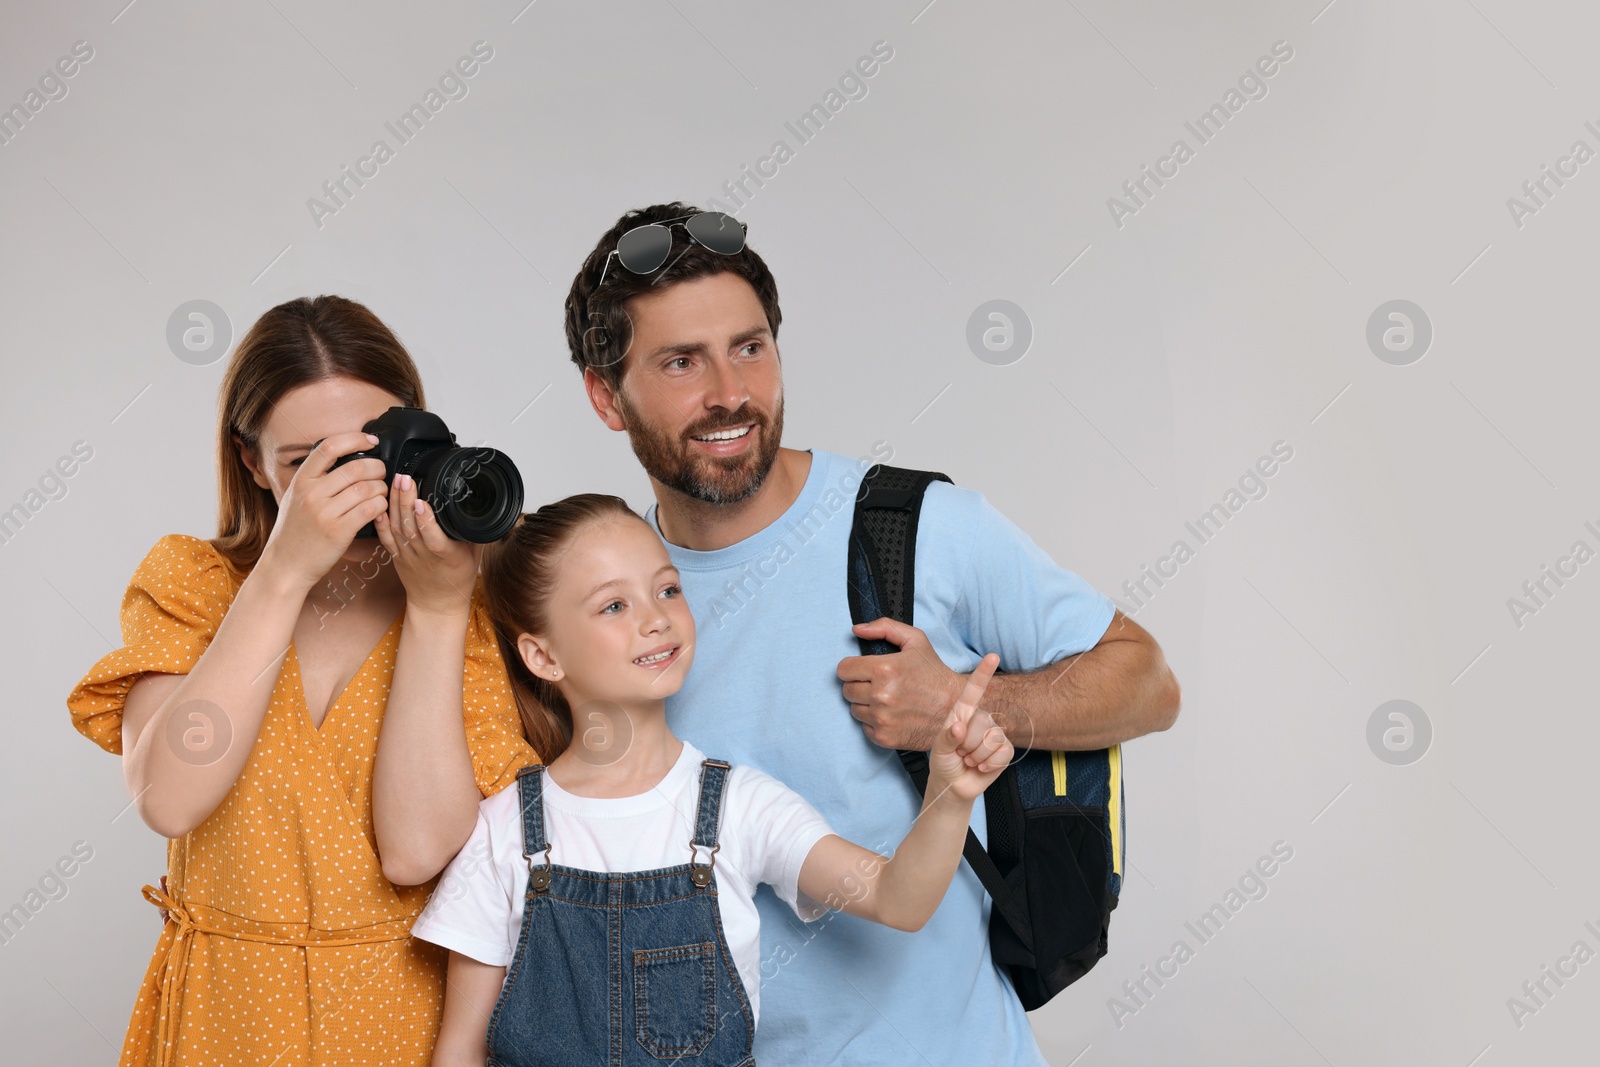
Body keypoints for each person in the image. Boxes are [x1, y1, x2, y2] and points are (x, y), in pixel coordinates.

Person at [548, 203, 1185, 1064]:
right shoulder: (600, 602)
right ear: (604, 395)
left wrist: (966, 704)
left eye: (750, 347)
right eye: (679, 362)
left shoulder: (918, 528)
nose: (730, 392)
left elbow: (1147, 679)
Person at [63, 295, 539, 1066]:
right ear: (251, 461)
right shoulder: (193, 583)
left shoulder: (468, 604)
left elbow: (416, 851)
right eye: (312, 462)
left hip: (403, 1016)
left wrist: (436, 608)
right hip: (226, 1020)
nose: (355, 489)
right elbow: (169, 798)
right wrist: (282, 572)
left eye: (373, 453)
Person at [411, 494, 1012, 1067]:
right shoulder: (503, 831)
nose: (656, 619)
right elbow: (462, 1051)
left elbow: (896, 899)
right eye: (614, 606)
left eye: (668, 589)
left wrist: (950, 795)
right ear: (543, 657)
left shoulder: (738, 809)